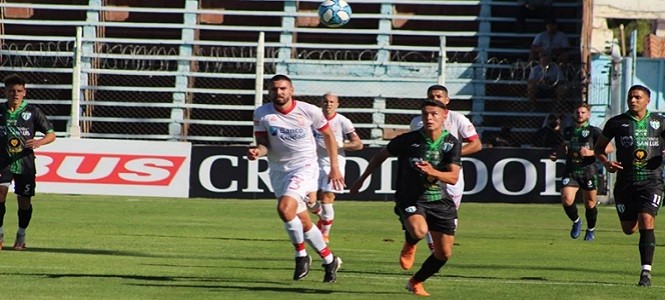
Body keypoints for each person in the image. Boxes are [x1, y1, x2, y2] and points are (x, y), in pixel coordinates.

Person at [350, 99, 462, 297]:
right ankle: (410, 243)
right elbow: (380, 155)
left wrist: (433, 171)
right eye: (425, 114)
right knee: (419, 231)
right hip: (410, 198)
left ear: (444, 115)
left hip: (439, 199)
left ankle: (415, 281)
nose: (429, 117)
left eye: (434, 114)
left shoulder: (451, 142)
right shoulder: (407, 140)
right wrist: (362, 179)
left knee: (444, 254)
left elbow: (453, 178)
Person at [248, 74, 343, 283]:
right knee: (302, 219)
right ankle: (329, 259)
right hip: (278, 170)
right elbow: (264, 144)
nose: (278, 92)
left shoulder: (309, 110)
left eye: (283, 88)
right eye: (274, 89)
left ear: (292, 90)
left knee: (284, 208)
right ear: (269, 91)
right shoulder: (262, 113)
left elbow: (328, 136)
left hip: (305, 166)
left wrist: (334, 167)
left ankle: (301, 255)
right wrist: (257, 152)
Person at [400, 84, 481, 270]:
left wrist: (451, 156)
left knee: (445, 215)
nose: (435, 98)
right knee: (425, 212)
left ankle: (434, 251)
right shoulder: (417, 122)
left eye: (439, 96)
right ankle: (429, 250)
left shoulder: (458, 119)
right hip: (424, 176)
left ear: (446, 100)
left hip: (450, 175)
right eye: (432, 96)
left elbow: (476, 144)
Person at [594, 85, 664, 287]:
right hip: (625, 182)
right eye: (630, 97)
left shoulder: (659, 122)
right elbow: (599, 149)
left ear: (647, 100)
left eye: (637, 97)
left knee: (646, 219)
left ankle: (646, 273)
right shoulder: (617, 123)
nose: (633, 100)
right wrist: (607, 162)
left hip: (652, 181)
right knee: (629, 228)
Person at [0, 74, 56, 251]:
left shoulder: (32, 111)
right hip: (3, 162)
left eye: (19, 91)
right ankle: (0, 233)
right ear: (5, 92)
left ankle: (21, 234)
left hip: (25, 163)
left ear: (25, 92)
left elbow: (51, 134)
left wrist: (39, 142)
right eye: (11, 91)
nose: (15, 94)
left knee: (24, 202)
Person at [551, 103, 613, 241]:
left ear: (588, 115)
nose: (580, 115)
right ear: (574, 114)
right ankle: (576, 221)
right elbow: (565, 146)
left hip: (588, 171)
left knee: (590, 203)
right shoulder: (567, 131)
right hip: (571, 170)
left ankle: (591, 229)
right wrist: (557, 154)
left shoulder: (594, 131)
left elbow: (609, 148)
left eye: (583, 112)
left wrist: (591, 152)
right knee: (567, 200)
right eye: (578, 112)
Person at [308, 92, 364, 243]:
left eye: (332, 102)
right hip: (312, 161)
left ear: (337, 104)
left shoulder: (342, 121)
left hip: (333, 162)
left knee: (327, 197)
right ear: (321, 103)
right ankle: (322, 215)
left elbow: (358, 144)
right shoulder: (313, 118)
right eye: (326, 101)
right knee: (309, 200)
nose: (329, 104)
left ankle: (324, 234)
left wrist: (339, 144)